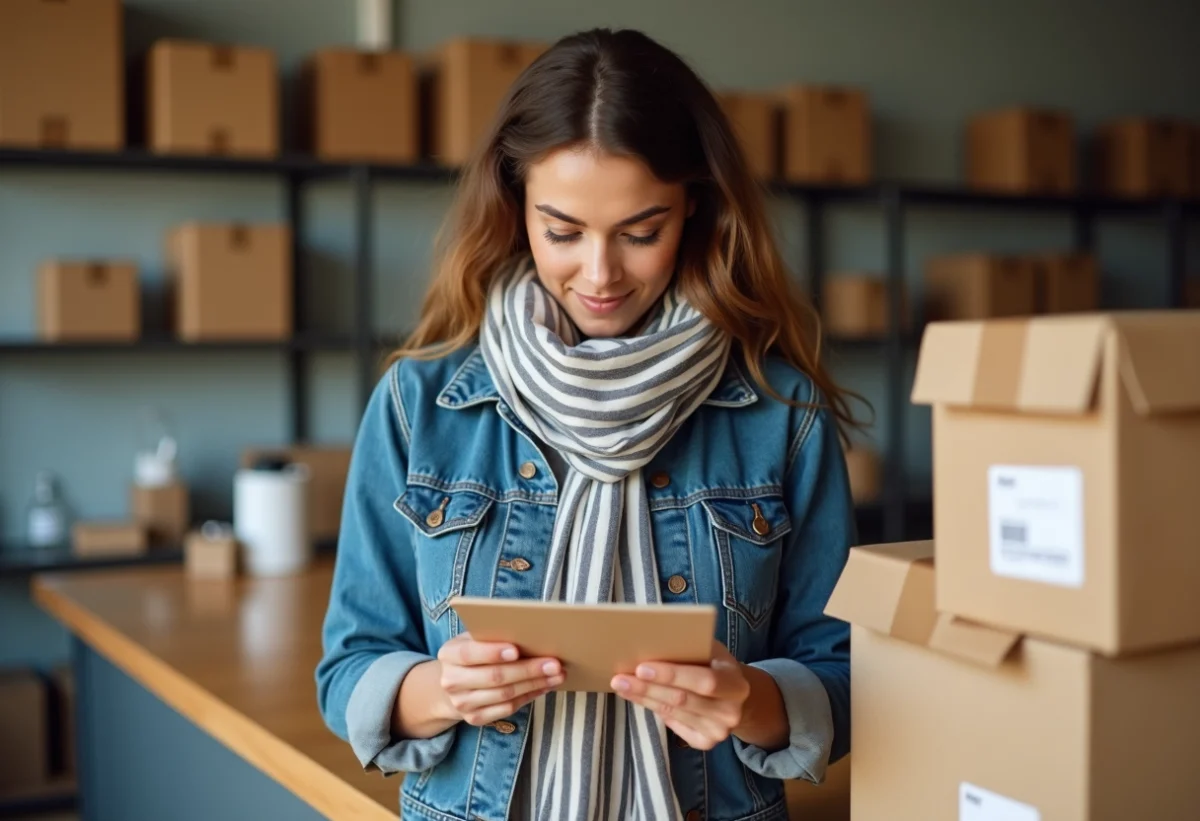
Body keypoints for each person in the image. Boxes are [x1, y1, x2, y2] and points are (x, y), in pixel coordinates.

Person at [316, 26, 861, 821]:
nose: (600, 274)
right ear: (516, 209)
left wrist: (750, 699)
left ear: (696, 208)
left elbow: (847, 677)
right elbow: (347, 671)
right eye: (563, 231)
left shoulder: (782, 416)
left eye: (641, 232)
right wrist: (441, 690)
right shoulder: (418, 404)